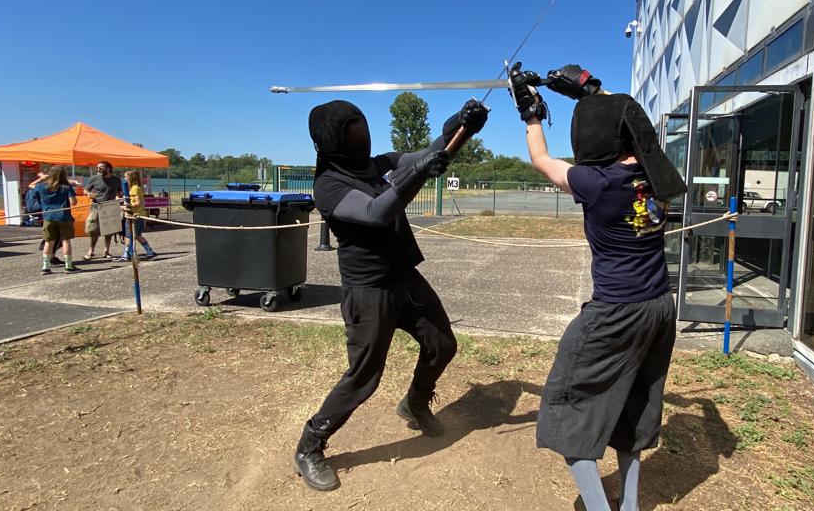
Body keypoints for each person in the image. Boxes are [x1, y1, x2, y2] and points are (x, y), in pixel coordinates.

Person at [508, 62, 687, 511]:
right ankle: (628, 505)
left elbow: (542, 161)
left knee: (569, 407)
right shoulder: (655, 178)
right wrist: (590, 90)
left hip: (615, 313)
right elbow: (630, 120)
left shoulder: (598, 183)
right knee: (634, 405)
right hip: (660, 308)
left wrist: (529, 113)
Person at [293, 98, 488, 492]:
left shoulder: (376, 163)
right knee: (365, 376)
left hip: (405, 277)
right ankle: (311, 443)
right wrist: (416, 173)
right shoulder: (328, 185)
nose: (362, 134)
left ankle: (415, 403)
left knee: (442, 344)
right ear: (332, 141)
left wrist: (462, 125)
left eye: (361, 124)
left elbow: (430, 153)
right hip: (369, 291)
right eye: (353, 129)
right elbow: (375, 211)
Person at [33, 166, 81, 274]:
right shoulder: (66, 187)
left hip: (48, 217)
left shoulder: (42, 186)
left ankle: (45, 267)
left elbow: (31, 186)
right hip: (64, 216)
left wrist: (41, 178)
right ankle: (68, 266)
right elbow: (73, 202)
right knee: (65, 241)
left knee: (49, 242)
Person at [83, 160, 121, 259]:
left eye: (100, 167)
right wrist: (88, 193)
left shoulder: (116, 180)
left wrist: (120, 197)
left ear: (108, 169)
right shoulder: (94, 178)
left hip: (110, 207)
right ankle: (91, 251)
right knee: (92, 229)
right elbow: (85, 189)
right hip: (96, 206)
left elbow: (120, 192)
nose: (98, 169)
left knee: (109, 230)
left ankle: (107, 251)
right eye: (97, 167)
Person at [117, 170, 156, 260]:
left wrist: (125, 207)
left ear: (131, 178)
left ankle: (127, 254)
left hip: (134, 215)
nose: (124, 179)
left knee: (129, 235)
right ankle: (149, 251)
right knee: (137, 235)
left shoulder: (135, 188)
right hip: (135, 215)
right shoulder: (134, 188)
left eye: (126, 177)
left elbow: (137, 203)